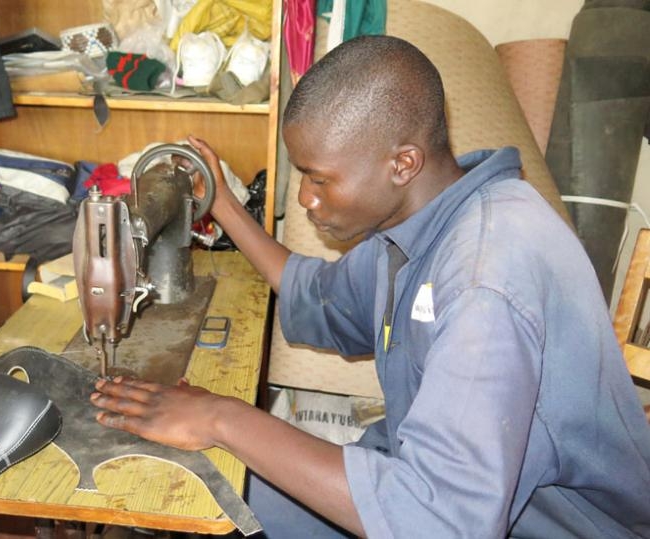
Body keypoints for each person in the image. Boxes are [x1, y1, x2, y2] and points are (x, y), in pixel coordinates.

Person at [90, 35, 650, 538]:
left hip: (517, 524)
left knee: (218, 472)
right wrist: (225, 205)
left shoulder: (485, 277)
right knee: (198, 485)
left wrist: (221, 416)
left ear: (402, 163)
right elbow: (315, 293)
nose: (306, 198)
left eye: (319, 178)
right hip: (422, 488)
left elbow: (439, 522)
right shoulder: (415, 228)